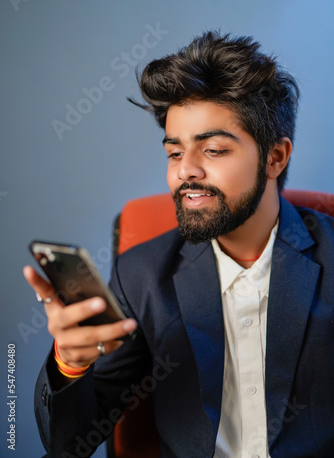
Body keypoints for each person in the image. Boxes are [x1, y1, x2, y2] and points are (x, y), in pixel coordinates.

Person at [24, 32, 334, 458]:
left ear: (275, 157)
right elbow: (68, 445)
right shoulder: (141, 277)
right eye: (174, 153)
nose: (186, 170)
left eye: (213, 149)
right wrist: (70, 364)